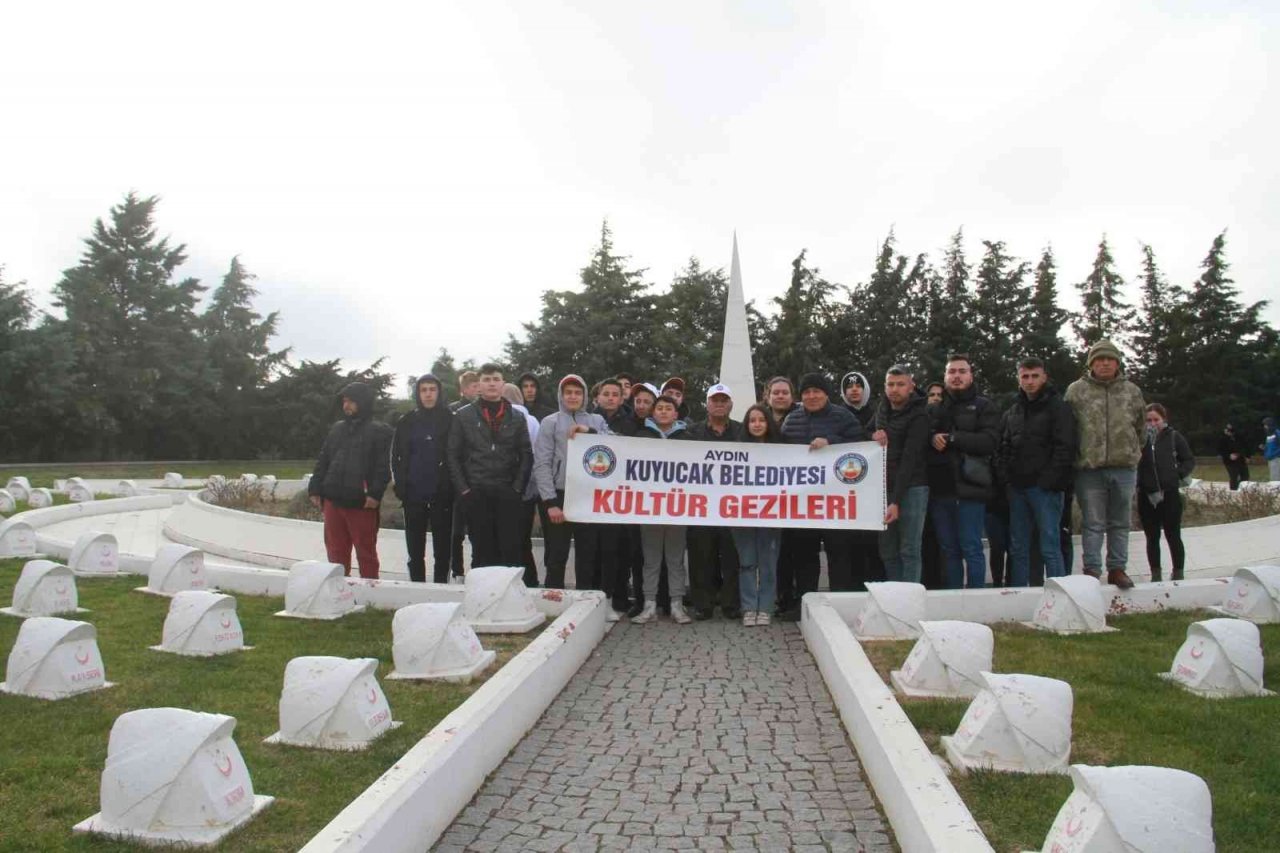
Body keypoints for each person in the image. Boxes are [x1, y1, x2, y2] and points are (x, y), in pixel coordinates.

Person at [1064, 339, 1146, 590]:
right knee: (1093, 522)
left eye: (1110, 359)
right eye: (1099, 359)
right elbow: (1067, 428)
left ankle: (1117, 569)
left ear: (1117, 363)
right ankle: (1092, 570)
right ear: (1091, 363)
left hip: (1124, 467)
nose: (1105, 363)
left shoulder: (1132, 391)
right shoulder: (1076, 391)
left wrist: (1131, 450)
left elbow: (1141, 427)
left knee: (1121, 522)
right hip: (1089, 468)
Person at [534, 375, 620, 613]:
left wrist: (588, 431)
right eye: (568, 392)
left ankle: (585, 608)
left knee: (588, 555)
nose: (573, 396)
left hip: (588, 496)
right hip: (559, 495)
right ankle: (553, 606)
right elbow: (542, 462)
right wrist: (550, 502)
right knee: (556, 554)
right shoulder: (550, 422)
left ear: (584, 395)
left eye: (577, 392)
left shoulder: (596, 420)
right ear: (561, 395)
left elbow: (616, 444)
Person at [779, 372, 865, 611]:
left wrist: (831, 443)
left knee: (839, 555)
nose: (811, 396)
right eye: (806, 392)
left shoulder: (843, 416)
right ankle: (807, 608)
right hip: (803, 503)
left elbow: (860, 445)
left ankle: (840, 607)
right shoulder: (791, 420)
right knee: (804, 557)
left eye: (816, 391)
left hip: (837, 502)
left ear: (826, 394)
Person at [998, 358, 1077, 587]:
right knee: (1018, 547)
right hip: (1017, 488)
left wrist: (1049, 481)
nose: (1030, 381)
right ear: (1018, 379)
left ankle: (1060, 593)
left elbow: (1065, 447)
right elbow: (1003, 445)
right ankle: (1020, 595)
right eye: (1025, 376)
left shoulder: (1059, 408)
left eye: (1035, 376)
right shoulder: (1013, 411)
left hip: (1046, 489)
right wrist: (1006, 477)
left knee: (1050, 545)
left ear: (1044, 377)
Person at [446, 363, 533, 568]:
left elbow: (526, 454)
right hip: (476, 492)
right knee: (482, 553)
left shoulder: (517, 417)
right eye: (486, 379)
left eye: (496, 379)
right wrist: (464, 490)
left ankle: (508, 590)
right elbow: (452, 455)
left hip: (507, 492)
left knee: (510, 553)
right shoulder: (464, 415)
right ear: (479, 384)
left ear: (503, 384)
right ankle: (481, 589)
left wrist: (517, 488)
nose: (491, 384)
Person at [927, 354, 1000, 590]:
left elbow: (990, 441)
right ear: (945, 377)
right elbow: (923, 439)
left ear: (971, 375)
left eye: (962, 371)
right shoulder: (933, 409)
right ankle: (953, 598)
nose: (956, 376)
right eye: (952, 372)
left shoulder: (984, 406)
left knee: (972, 547)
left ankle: (977, 598)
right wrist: (932, 438)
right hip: (941, 490)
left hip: (971, 490)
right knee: (949, 550)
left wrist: (953, 439)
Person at [308, 382, 393, 579]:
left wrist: (375, 494)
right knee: (336, 553)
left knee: (366, 553)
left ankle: (370, 592)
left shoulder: (380, 431)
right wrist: (315, 488)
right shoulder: (337, 429)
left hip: (361, 503)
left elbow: (383, 467)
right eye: (344, 401)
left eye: (351, 401)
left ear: (363, 402)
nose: (346, 405)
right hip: (333, 500)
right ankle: (338, 590)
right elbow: (324, 460)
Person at [632, 395, 693, 624]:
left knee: (675, 560)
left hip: (679, 508)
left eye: (669, 408)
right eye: (660, 408)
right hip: (649, 508)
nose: (664, 411)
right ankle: (649, 605)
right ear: (653, 412)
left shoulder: (688, 438)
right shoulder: (641, 436)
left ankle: (677, 605)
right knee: (651, 560)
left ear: (676, 414)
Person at [686, 383, 744, 621]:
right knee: (701, 557)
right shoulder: (691, 432)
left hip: (733, 506)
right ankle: (703, 604)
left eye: (723, 400)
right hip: (701, 507)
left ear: (731, 404)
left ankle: (732, 605)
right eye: (715, 400)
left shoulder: (743, 431)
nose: (719, 404)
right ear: (707, 404)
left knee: (732, 557)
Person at [391, 373, 454, 583]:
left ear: (439, 392)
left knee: (443, 548)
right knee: (415, 548)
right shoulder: (407, 421)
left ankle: (441, 586)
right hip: (413, 494)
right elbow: (396, 456)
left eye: (432, 389)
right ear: (418, 393)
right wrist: (401, 485)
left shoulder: (451, 419)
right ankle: (417, 587)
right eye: (423, 390)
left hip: (442, 494)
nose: (428, 394)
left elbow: (458, 454)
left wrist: (452, 486)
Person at [873, 366, 931, 582]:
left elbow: (910, 459)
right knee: (887, 550)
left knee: (909, 549)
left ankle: (910, 596)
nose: (895, 389)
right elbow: (865, 433)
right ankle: (894, 595)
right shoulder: (882, 409)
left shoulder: (920, 415)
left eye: (900, 384)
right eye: (890, 384)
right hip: (884, 488)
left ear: (911, 387)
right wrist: (873, 434)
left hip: (912, 488)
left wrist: (895, 501)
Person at [733, 403, 782, 626]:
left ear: (768, 423)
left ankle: (766, 607)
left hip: (772, 514)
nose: (757, 424)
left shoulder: (782, 449)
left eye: (761, 420)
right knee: (747, 562)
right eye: (752, 420)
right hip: (742, 514)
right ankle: (749, 607)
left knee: (768, 562)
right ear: (746, 424)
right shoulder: (735, 451)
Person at [1137, 403, 1195, 581]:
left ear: (1164, 419)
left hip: (1169, 492)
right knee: (1151, 537)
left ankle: (1178, 571)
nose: (1153, 424)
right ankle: (1156, 573)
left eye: (1156, 419)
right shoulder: (1139, 440)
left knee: (1173, 534)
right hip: (1146, 494)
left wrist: (1176, 475)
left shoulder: (1174, 437)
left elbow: (1188, 460)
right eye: (1148, 420)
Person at [502, 383, 544, 586]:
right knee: (523, 540)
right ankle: (530, 581)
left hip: (504, 488)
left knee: (507, 539)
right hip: (527, 489)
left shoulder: (502, 418)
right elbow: (537, 455)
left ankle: (511, 582)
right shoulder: (533, 420)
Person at [1217, 423, 1250, 490]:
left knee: (1245, 475)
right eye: (1227, 431)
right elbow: (1220, 450)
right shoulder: (1222, 439)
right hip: (1229, 461)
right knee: (1234, 476)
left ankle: (1242, 488)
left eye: (1230, 431)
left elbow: (1246, 446)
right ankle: (1234, 490)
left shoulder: (1239, 437)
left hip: (1241, 459)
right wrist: (1229, 455)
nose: (1228, 433)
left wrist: (1247, 456)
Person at [1264, 417, 1280, 482]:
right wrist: (1266, 453)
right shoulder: (1268, 435)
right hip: (1270, 458)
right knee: (1273, 476)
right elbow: (1268, 446)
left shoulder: (1277, 433)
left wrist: (1275, 453)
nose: (1265, 427)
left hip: (1276, 458)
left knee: (1275, 478)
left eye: (1266, 425)